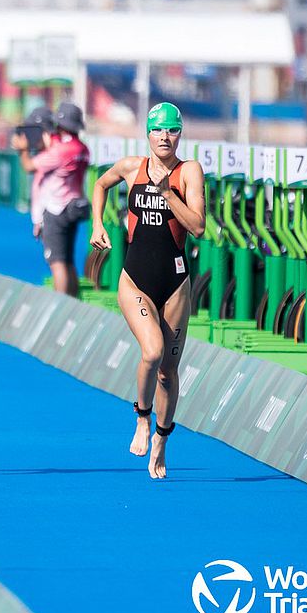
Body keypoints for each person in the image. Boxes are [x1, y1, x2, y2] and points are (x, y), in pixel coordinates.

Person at [89, 103, 206, 479]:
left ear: (180, 135)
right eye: (158, 131)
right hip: (135, 279)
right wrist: (97, 225)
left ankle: (161, 440)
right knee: (152, 350)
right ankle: (141, 416)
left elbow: (199, 227)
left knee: (169, 373)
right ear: (148, 134)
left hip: (175, 282)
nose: (164, 138)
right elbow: (100, 184)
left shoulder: (189, 172)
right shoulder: (130, 167)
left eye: (171, 131)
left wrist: (169, 195)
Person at [15, 102, 90, 296]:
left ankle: (61, 307)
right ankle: (73, 305)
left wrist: (22, 149)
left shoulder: (59, 151)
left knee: (57, 263)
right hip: (72, 207)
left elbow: (29, 167)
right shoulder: (81, 148)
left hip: (56, 209)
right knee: (67, 260)